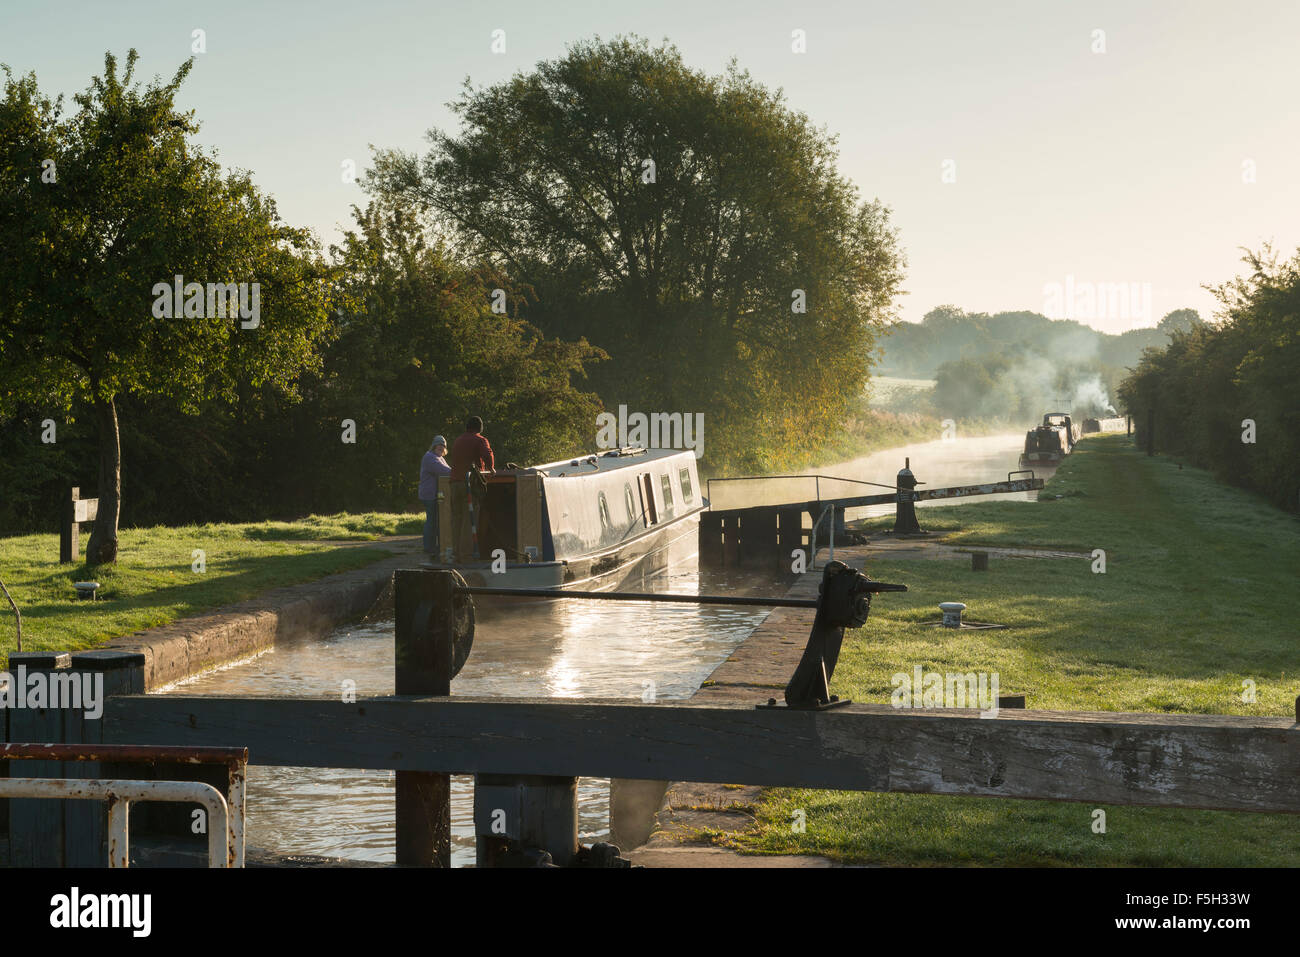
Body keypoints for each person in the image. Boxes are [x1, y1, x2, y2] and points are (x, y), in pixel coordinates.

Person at [449, 417, 494, 560]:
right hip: (469, 484)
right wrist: (491, 468)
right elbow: (487, 455)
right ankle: (467, 555)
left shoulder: (458, 440)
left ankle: (455, 553)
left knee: (457, 520)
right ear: (479, 428)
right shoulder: (480, 440)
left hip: (454, 484)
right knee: (470, 520)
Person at [418, 436, 451, 557]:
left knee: (436, 521)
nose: (441, 447)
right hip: (429, 494)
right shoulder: (430, 457)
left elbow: (447, 469)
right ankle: (428, 547)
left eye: (443, 445)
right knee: (431, 521)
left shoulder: (439, 457)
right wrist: (459, 473)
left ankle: (435, 546)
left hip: (434, 494)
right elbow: (444, 471)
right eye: (439, 445)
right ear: (434, 446)